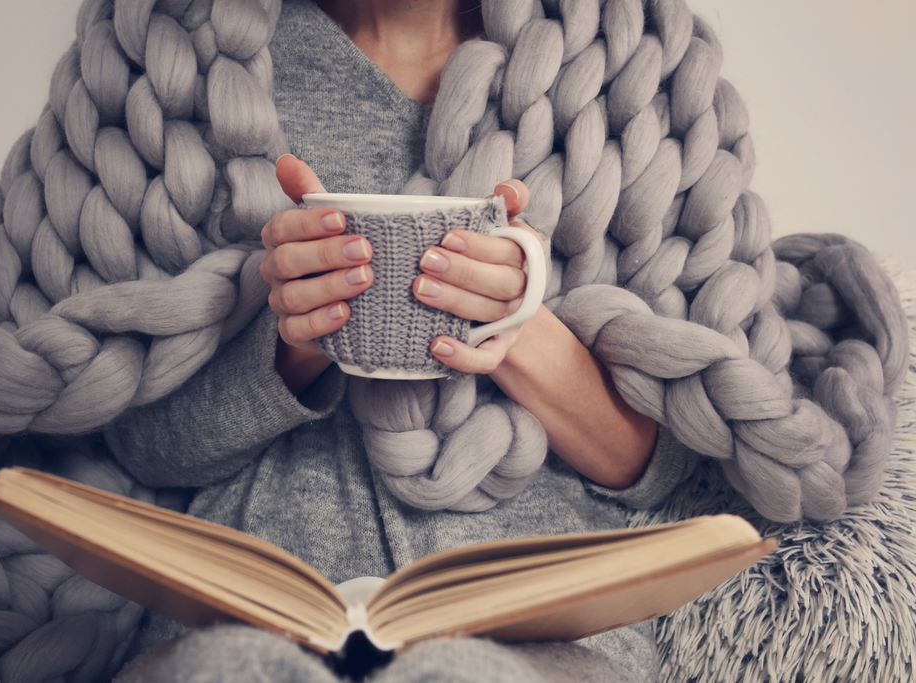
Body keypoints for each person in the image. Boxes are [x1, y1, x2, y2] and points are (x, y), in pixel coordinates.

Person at [106, 0, 697, 680]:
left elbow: (660, 465)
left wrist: (518, 318)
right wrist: (302, 333)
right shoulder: (193, 64)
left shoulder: (623, 66)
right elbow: (145, 448)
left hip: (543, 632)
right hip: (251, 610)